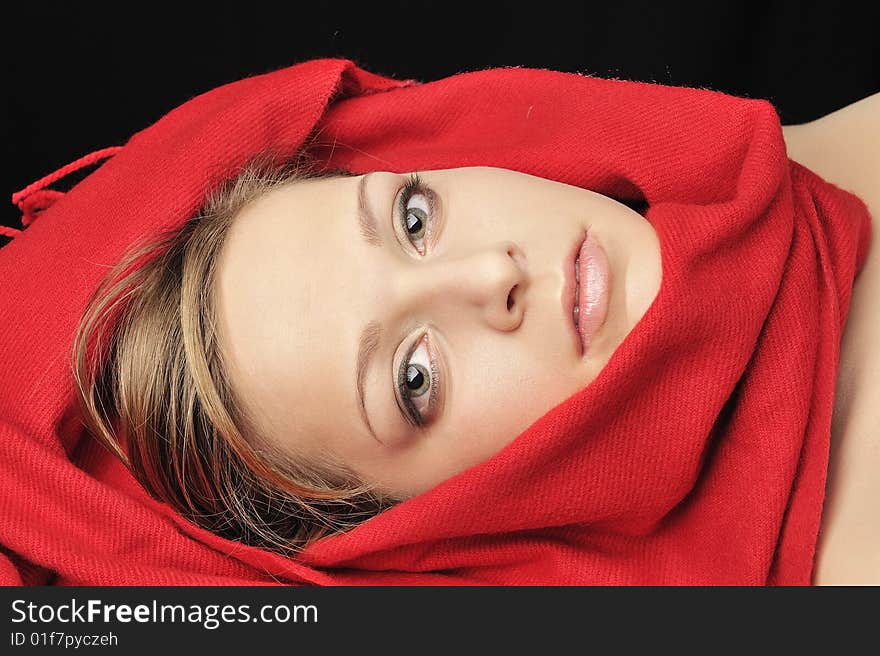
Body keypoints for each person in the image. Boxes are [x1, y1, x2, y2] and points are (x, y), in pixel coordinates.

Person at [0, 58, 858, 585]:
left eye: (414, 218)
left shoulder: (804, 162)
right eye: (416, 380)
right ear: (424, 518)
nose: (492, 276)